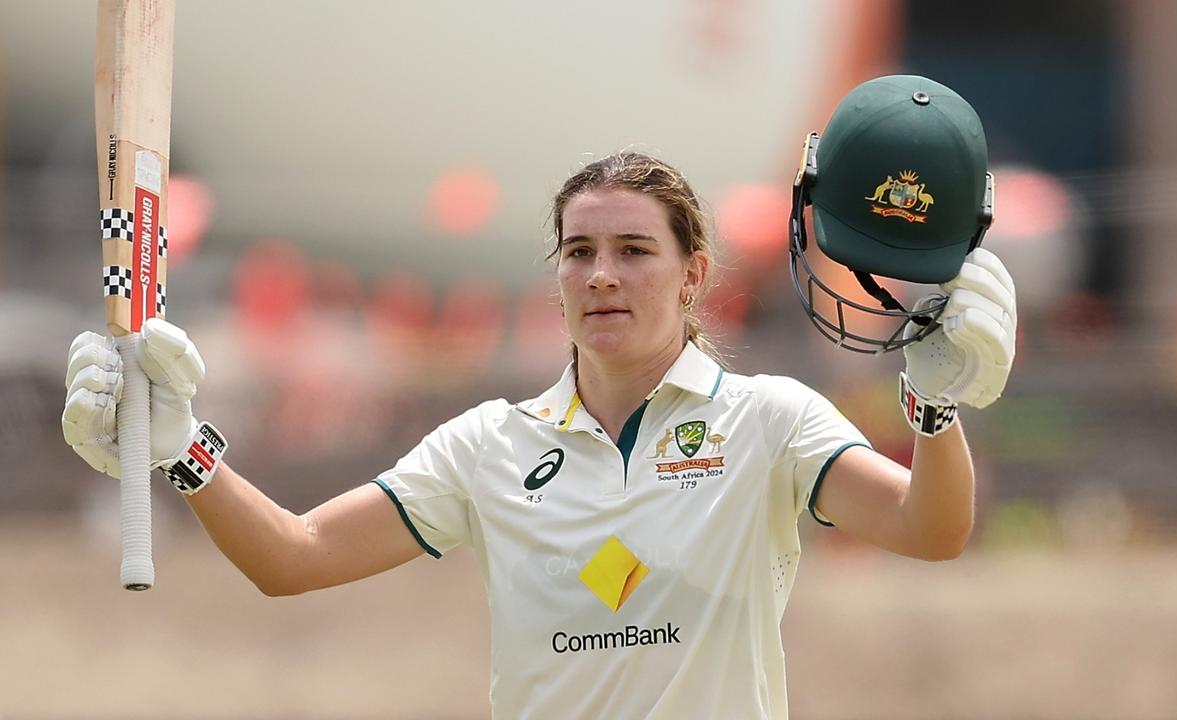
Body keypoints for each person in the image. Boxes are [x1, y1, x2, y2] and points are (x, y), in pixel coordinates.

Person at [62, 77, 1016, 720]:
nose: (603, 275)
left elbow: (930, 531)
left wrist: (934, 413)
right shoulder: (487, 445)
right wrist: (181, 447)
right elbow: (293, 560)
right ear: (557, 274)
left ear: (694, 276)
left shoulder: (771, 421)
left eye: (636, 251)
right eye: (580, 252)